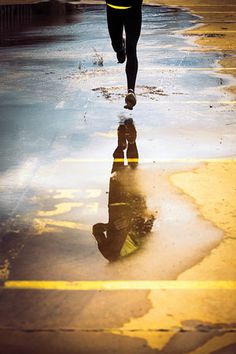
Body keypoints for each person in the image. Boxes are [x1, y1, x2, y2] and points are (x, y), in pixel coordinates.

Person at [92, 119, 156, 262]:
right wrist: (150, 216)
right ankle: (129, 143)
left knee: (120, 170)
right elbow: (149, 223)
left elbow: (96, 229)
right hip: (132, 204)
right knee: (131, 170)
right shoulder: (141, 253)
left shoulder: (110, 254)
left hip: (117, 203)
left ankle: (122, 145)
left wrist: (111, 226)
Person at [105, 0, 143, 110]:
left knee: (132, 48)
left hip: (133, 9)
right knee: (117, 47)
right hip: (113, 7)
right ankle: (120, 49)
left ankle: (131, 91)